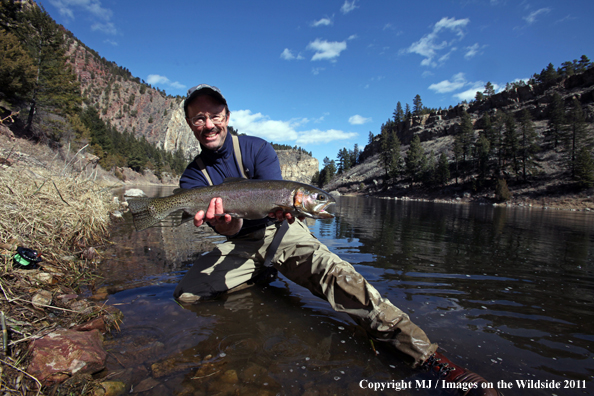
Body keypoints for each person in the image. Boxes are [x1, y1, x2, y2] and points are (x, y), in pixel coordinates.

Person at [173, 84, 501, 396]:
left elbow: (277, 205)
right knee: (187, 294)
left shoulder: (256, 149)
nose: (209, 124)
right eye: (199, 118)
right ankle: (260, 274)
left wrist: (287, 210)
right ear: (190, 124)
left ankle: (427, 356)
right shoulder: (192, 178)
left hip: (281, 234)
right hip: (240, 243)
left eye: (215, 115)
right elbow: (226, 230)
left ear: (227, 117)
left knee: (339, 277)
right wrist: (227, 225)